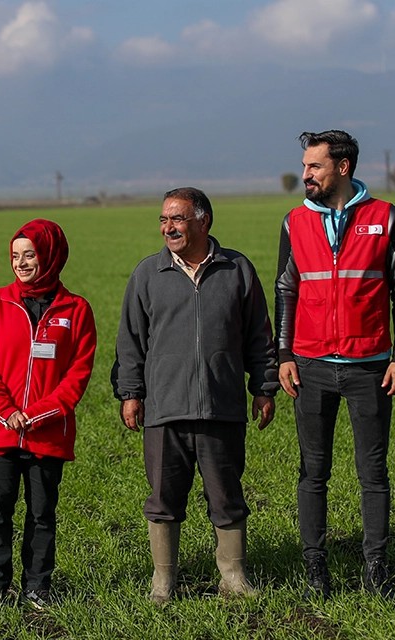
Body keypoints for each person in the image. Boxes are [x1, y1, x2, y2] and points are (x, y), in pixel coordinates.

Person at [111, 187, 278, 604]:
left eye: (178, 219)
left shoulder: (237, 269)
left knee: (227, 495)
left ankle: (233, 577)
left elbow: (259, 335)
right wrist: (131, 393)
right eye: (164, 220)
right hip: (164, 410)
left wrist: (264, 387)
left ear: (204, 221)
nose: (169, 227)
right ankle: (163, 581)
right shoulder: (148, 274)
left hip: (222, 407)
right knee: (164, 498)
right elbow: (130, 342)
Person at [275, 130, 395, 600]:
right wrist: (283, 354)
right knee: (312, 472)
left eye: (314, 166)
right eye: (304, 165)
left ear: (342, 167)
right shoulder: (295, 222)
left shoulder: (385, 218)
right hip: (311, 366)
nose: (305, 174)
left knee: (372, 474)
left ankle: (375, 568)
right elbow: (286, 289)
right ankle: (315, 568)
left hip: (370, 368)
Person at [0, 218, 97, 609]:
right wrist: (7, 411)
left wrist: (38, 414)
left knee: (42, 514)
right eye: (15, 256)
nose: (21, 263)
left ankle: (38, 586)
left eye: (30, 254)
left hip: (47, 432)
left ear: (50, 255)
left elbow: (78, 372)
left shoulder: (76, 310)